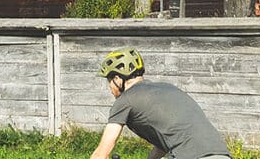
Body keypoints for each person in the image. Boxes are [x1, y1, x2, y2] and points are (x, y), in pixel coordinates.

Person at [87, 49, 231, 159]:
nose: (110, 88)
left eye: (109, 81)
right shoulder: (167, 88)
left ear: (118, 79)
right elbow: (169, 138)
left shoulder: (125, 101)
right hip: (222, 154)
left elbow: (101, 153)